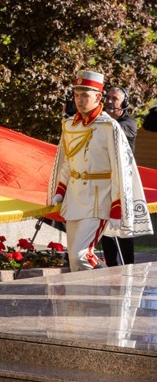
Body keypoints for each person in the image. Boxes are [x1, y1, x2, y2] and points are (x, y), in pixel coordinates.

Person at [48, 72, 152, 271]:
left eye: (84, 95)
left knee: (81, 256)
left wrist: (117, 205)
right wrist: (60, 190)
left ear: (97, 97)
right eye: (76, 95)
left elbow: (120, 169)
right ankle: (89, 293)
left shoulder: (109, 127)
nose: (79, 100)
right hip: (74, 199)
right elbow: (68, 161)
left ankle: (113, 279)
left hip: (99, 199)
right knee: (74, 263)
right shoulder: (69, 125)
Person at [101, 86, 139, 267]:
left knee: (123, 227)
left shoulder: (129, 123)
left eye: (114, 98)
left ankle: (129, 268)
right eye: (107, 97)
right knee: (106, 228)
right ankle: (111, 267)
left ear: (124, 103)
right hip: (104, 180)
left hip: (123, 183)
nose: (109, 101)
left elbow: (113, 132)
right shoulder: (102, 121)